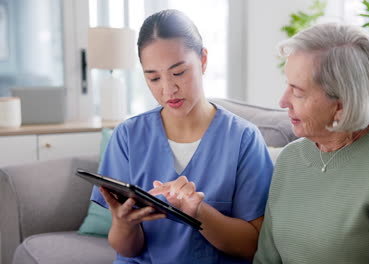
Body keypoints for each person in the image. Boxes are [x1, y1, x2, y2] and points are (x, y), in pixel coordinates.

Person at [90, 9, 273, 264]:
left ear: (203, 60)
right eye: (153, 78)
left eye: (178, 73)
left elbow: (252, 246)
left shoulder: (242, 139)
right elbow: (127, 249)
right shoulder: (127, 136)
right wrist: (123, 224)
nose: (168, 89)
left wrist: (198, 212)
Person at [253, 23, 369, 263]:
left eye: (298, 92)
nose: (283, 101)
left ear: (342, 104)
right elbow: (266, 259)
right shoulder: (291, 158)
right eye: (287, 85)